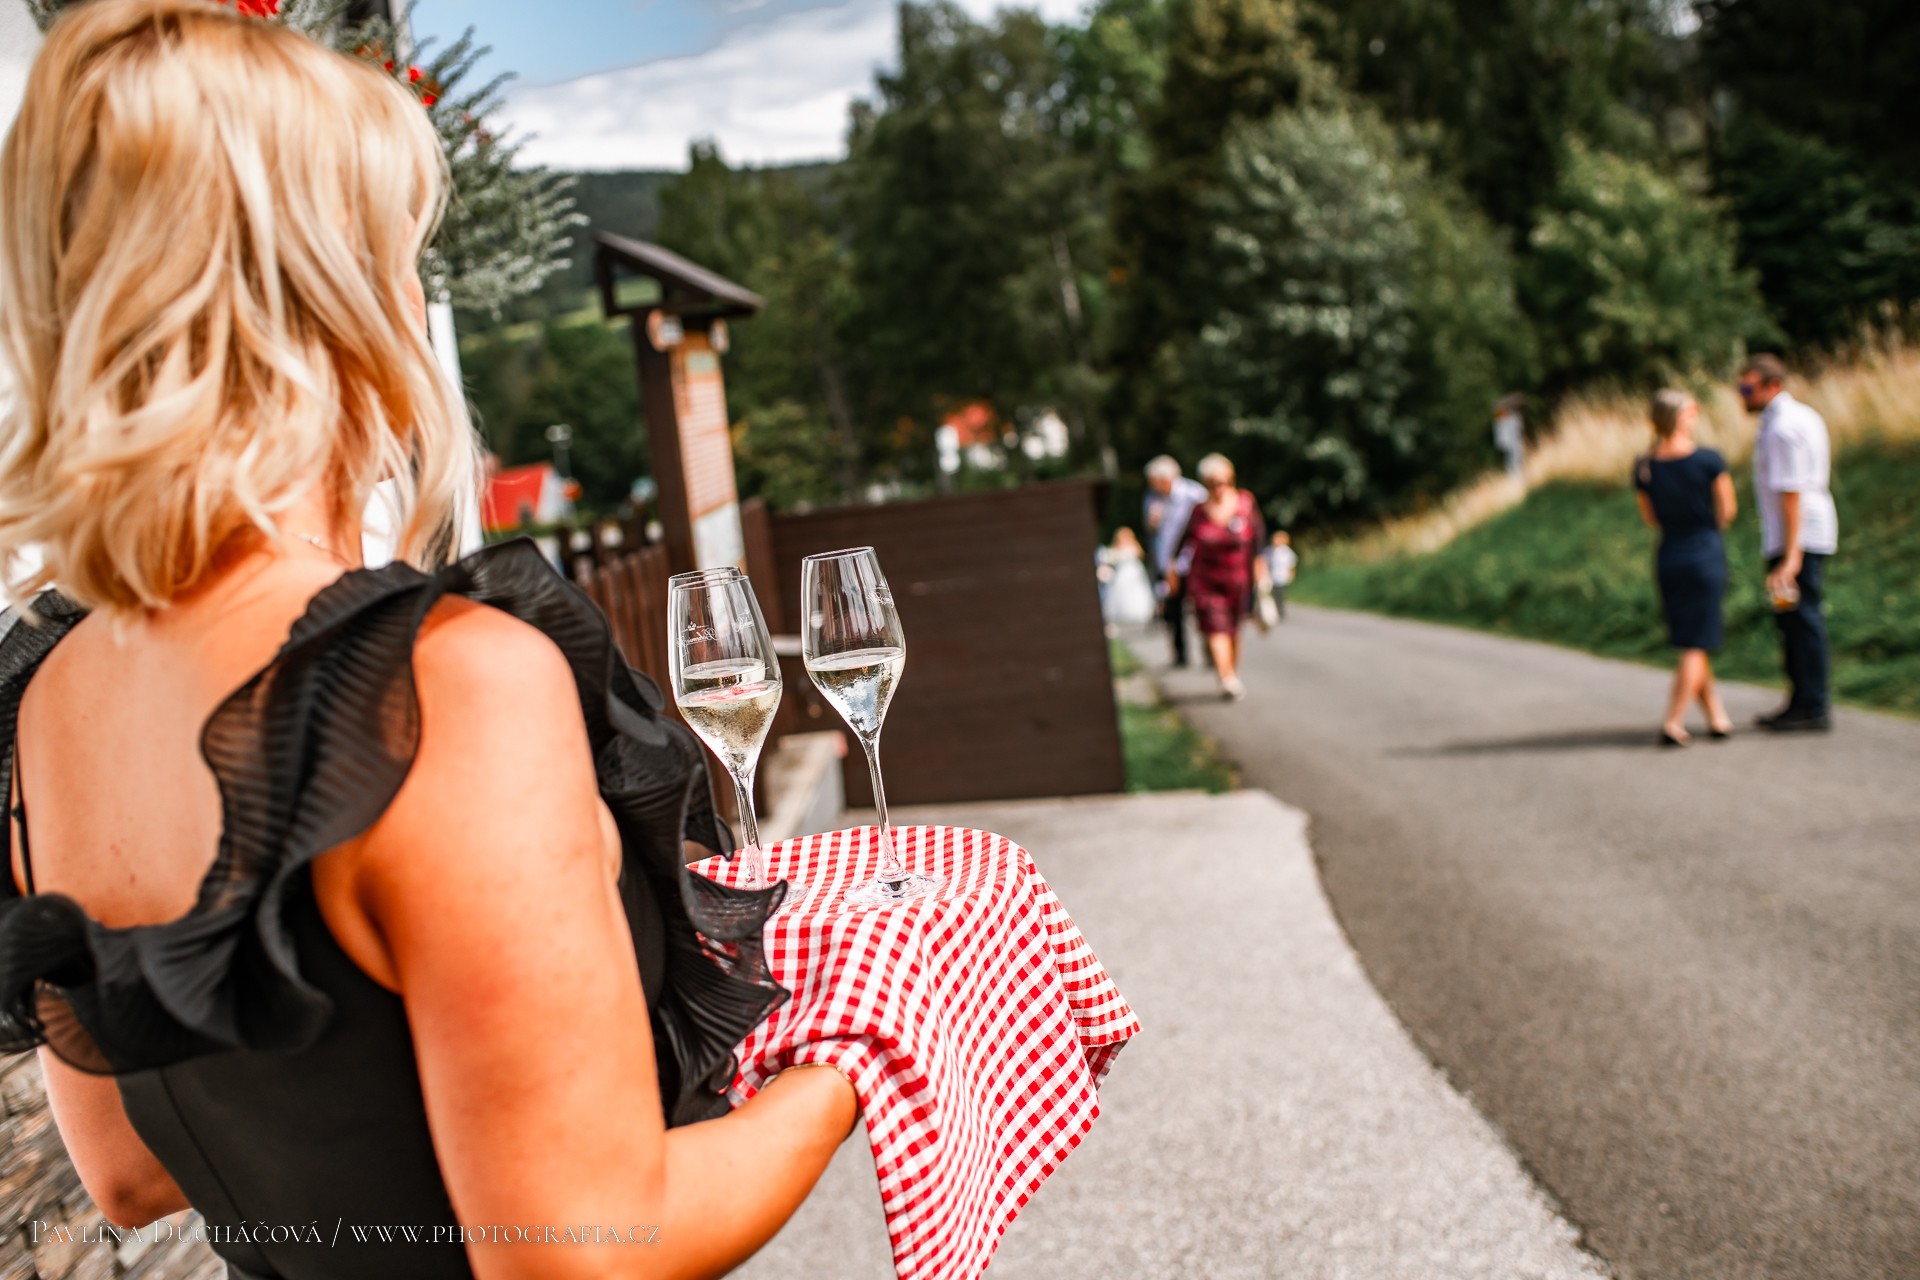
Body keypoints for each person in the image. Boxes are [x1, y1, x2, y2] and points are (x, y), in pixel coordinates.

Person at [0, 5, 856, 1278]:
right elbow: (577, 1251)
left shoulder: (40, 711)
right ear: (336, 299)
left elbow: (129, 1172)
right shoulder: (441, 685)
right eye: (400, 252)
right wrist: (855, 1060)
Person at [1738, 355, 1838, 733]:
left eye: (1748, 388)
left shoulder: (1782, 428)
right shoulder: (1796, 417)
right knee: (1792, 620)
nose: (1742, 395)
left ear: (1772, 385)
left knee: (1801, 621)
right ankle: (1802, 700)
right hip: (1799, 536)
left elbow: (1792, 493)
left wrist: (1790, 558)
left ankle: (1812, 704)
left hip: (1796, 537)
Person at [1633, 391, 1738, 747]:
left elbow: (1650, 517)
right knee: (1696, 642)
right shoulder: (1709, 460)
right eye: (1692, 412)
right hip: (1704, 551)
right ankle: (1673, 722)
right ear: (1681, 418)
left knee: (1693, 638)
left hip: (1669, 554)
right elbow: (1727, 510)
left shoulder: (1645, 465)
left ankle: (1717, 717)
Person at [1168, 454, 1269, 700]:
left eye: (1223, 482)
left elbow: (1258, 539)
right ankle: (1226, 678)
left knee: (1233, 629)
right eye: (1212, 483)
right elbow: (1182, 542)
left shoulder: (1245, 503)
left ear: (1231, 479)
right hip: (1205, 581)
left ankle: (1231, 671)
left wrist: (1261, 567)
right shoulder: (1199, 511)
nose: (1218, 488)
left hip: (1238, 580)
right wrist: (1172, 569)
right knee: (1216, 628)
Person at [1142, 456, 1205, 668]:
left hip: (1193, 560)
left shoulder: (1193, 494)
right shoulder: (1152, 499)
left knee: (1201, 607)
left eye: (1154, 481)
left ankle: (1210, 651)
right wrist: (1152, 523)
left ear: (1166, 478)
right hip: (1166, 562)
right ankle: (1180, 655)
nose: (1152, 485)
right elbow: (1151, 532)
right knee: (1172, 610)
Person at [1098, 528, 1158, 630]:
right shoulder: (1118, 549)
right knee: (1123, 592)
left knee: (1134, 592)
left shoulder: (1133, 548)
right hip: (1123, 575)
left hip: (1132, 574)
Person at [1261, 531, 1297, 620]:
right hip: (1270, 577)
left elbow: (1291, 566)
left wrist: (1290, 576)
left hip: (1282, 577)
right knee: (1270, 596)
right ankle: (1272, 612)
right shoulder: (1268, 550)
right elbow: (1263, 563)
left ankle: (1280, 612)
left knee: (1280, 595)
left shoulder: (1287, 552)